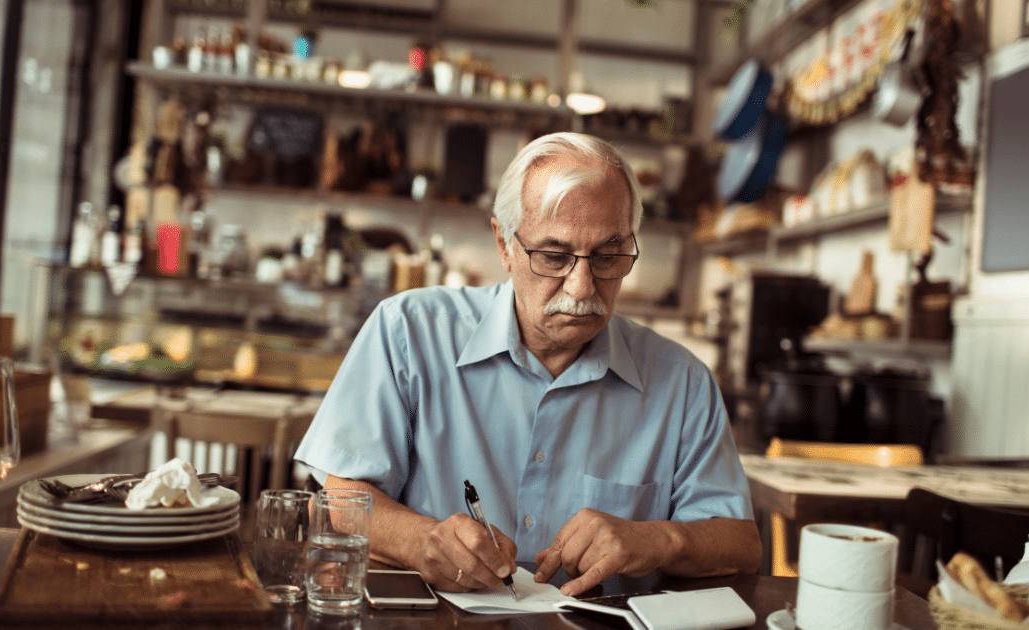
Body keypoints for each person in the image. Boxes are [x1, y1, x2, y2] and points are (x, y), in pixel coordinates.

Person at [294, 132, 760, 598]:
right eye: (554, 257)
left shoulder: (682, 382)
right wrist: (420, 541)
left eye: (607, 256)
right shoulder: (410, 332)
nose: (581, 287)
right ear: (504, 244)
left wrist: (659, 540)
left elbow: (741, 545)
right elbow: (339, 499)